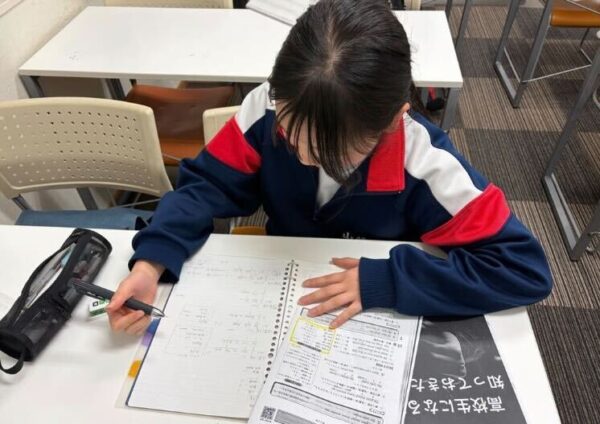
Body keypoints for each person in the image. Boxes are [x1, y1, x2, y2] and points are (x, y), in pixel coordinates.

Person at [106, 0, 552, 336]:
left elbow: (522, 269)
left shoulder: (425, 163)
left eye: (328, 151)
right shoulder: (266, 106)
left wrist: (387, 280)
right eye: (289, 133)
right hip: (283, 284)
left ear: (392, 121)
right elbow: (204, 187)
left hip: (373, 314)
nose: (302, 156)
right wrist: (151, 263)